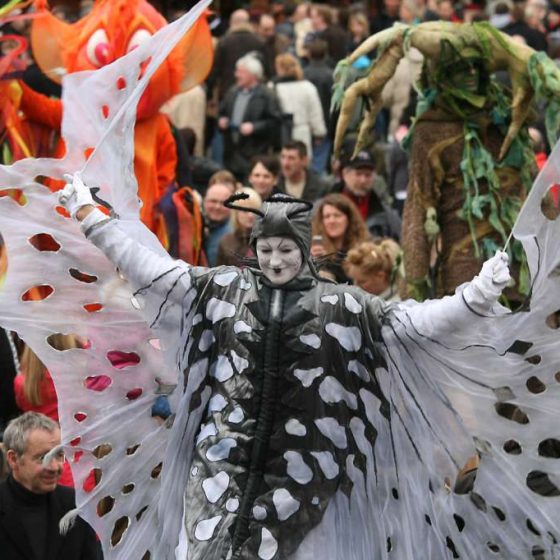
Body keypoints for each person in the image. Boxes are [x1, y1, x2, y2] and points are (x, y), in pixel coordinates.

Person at [51, 170, 560, 560]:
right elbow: (151, 270)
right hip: (217, 476)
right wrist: (92, 220)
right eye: (267, 249)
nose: (275, 260)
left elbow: (420, 324)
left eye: (286, 249)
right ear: (255, 248)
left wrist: (477, 293)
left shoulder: (345, 308)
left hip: (304, 490)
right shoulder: (220, 290)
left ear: (306, 251)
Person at [0, 412, 102, 559]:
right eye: (43, 458)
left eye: (59, 455)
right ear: (13, 459)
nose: (54, 467)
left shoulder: (76, 505)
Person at [219, 54, 281, 181]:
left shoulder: (267, 95)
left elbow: (275, 122)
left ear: (253, 74)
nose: (237, 75)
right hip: (232, 154)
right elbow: (222, 113)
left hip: (254, 154)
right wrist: (221, 121)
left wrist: (255, 127)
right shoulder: (232, 92)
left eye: (241, 72)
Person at [330, 149, 401, 240]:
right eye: (358, 174)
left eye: (368, 175)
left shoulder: (386, 214)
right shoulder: (323, 209)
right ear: (345, 174)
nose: (363, 180)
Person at [271, 53, 326, 158]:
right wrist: (319, 133)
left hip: (281, 133)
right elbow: (315, 113)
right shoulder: (308, 87)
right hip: (302, 132)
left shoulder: (273, 87)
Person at [310, 193, 370, 282]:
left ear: (349, 219)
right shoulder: (314, 248)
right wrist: (313, 262)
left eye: (337, 215)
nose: (332, 221)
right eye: (327, 216)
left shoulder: (363, 248)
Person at [216, 187, 263, 267]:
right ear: (235, 213)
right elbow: (219, 276)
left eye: (254, 210)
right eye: (245, 210)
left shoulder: (267, 239)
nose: (250, 215)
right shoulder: (226, 242)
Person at [202, 182, 234, 266]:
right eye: (213, 201)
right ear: (204, 202)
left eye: (223, 203)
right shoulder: (195, 226)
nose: (217, 207)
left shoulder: (235, 234)